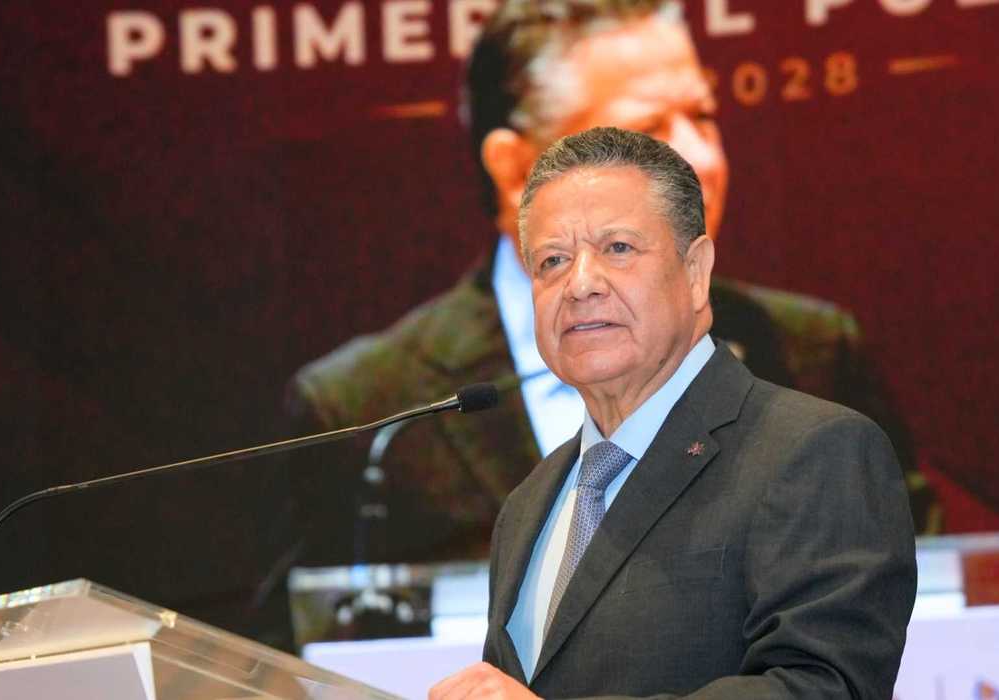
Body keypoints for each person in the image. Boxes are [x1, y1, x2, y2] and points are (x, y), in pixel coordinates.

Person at [281, 0, 934, 581]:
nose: (700, 159)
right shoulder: (369, 414)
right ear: (515, 171)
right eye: (644, 135)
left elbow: (924, 591)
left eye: (702, 117)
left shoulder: (809, 356)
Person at [429, 127, 916, 699]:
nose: (580, 284)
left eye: (618, 248)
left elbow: (823, 688)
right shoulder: (528, 504)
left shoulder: (814, 452)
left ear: (695, 273)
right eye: (552, 261)